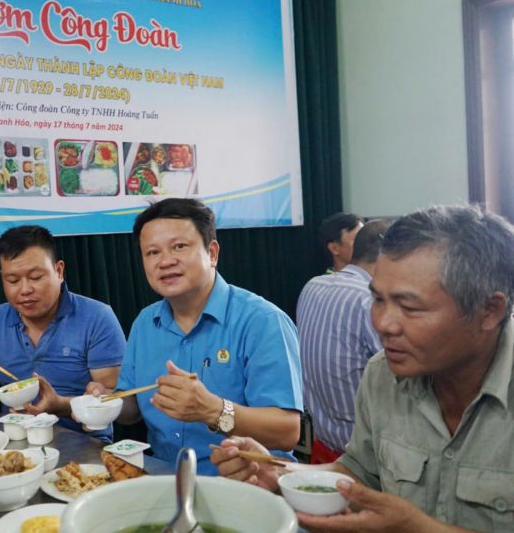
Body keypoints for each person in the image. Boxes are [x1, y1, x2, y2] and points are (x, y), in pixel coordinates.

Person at [212, 205, 514, 532]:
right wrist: (282, 474)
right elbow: (358, 473)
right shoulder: (384, 373)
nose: (383, 324)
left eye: (409, 307)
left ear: (489, 311)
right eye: (378, 300)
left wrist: (417, 528)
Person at [90, 198, 302, 475]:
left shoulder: (262, 322)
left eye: (179, 246)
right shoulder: (145, 322)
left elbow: (287, 431)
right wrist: (104, 402)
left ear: (212, 253)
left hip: (248, 484)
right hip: (164, 477)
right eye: (152, 252)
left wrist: (213, 409)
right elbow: (132, 409)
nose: (165, 261)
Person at [0, 225, 125, 440]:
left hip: (85, 445)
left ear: (59, 271)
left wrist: (59, 405)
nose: (24, 290)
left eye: (35, 277)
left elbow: (116, 401)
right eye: (12, 280)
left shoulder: (97, 317)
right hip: (15, 444)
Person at [296, 219, 389, 463]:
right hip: (366, 459)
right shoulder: (368, 301)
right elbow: (407, 380)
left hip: (321, 445)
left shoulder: (312, 287)